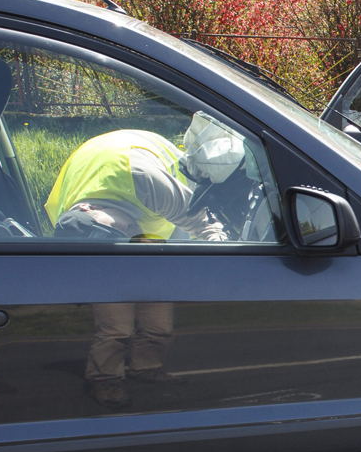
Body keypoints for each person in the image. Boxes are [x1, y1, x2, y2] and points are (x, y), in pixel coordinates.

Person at [44, 112, 246, 409]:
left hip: (152, 205)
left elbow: (204, 223)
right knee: (115, 327)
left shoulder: (148, 182)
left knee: (159, 319)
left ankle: (147, 368)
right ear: (82, 209)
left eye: (121, 230)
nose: (126, 232)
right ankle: (105, 380)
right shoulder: (67, 217)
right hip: (102, 255)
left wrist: (226, 263)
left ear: (93, 209)